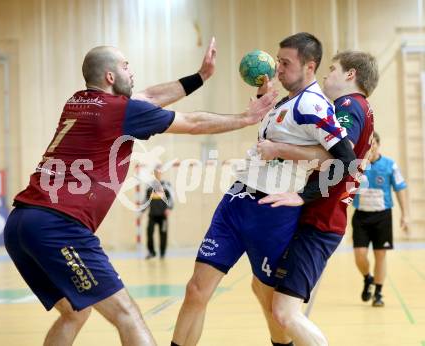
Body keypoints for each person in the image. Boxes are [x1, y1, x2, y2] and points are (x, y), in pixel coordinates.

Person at [3, 38, 279, 346]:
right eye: (124, 66)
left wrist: (199, 77)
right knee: (128, 315)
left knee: (74, 312)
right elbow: (193, 122)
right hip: (58, 226)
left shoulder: (79, 101)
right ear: (110, 76)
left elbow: (148, 96)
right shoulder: (119, 112)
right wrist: (246, 118)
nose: (130, 70)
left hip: (20, 224)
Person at [171, 32, 358, 346]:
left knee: (270, 300)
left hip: (271, 213)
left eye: (285, 63)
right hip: (237, 200)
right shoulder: (287, 100)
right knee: (196, 289)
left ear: (310, 67)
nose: (278, 69)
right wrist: (262, 96)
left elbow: (347, 160)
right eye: (277, 61)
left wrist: (302, 195)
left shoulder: (313, 106)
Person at [257, 50, 378, 345]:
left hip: (321, 221)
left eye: (333, 68)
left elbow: (341, 156)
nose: (326, 74)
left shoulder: (349, 105)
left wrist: (282, 156)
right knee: (264, 290)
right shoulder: (360, 108)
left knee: (285, 312)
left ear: (351, 75)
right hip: (320, 217)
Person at [352, 131, 409, 307]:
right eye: (367, 144)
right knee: (360, 254)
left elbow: (400, 188)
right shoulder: (357, 166)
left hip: (382, 216)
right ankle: (367, 278)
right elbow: (346, 189)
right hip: (361, 215)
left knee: (380, 255)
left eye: (373, 143)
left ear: (378, 144)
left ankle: (378, 292)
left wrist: (405, 214)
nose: (370, 147)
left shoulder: (390, 165)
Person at [144, 164, 174, 260]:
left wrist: (169, 208)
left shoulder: (166, 185)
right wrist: (141, 211)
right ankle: (152, 252)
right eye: (156, 172)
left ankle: (162, 253)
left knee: (163, 234)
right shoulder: (149, 186)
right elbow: (146, 200)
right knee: (149, 232)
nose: (158, 173)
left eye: (159, 172)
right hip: (152, 215)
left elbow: (171, 199)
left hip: (163, 216)